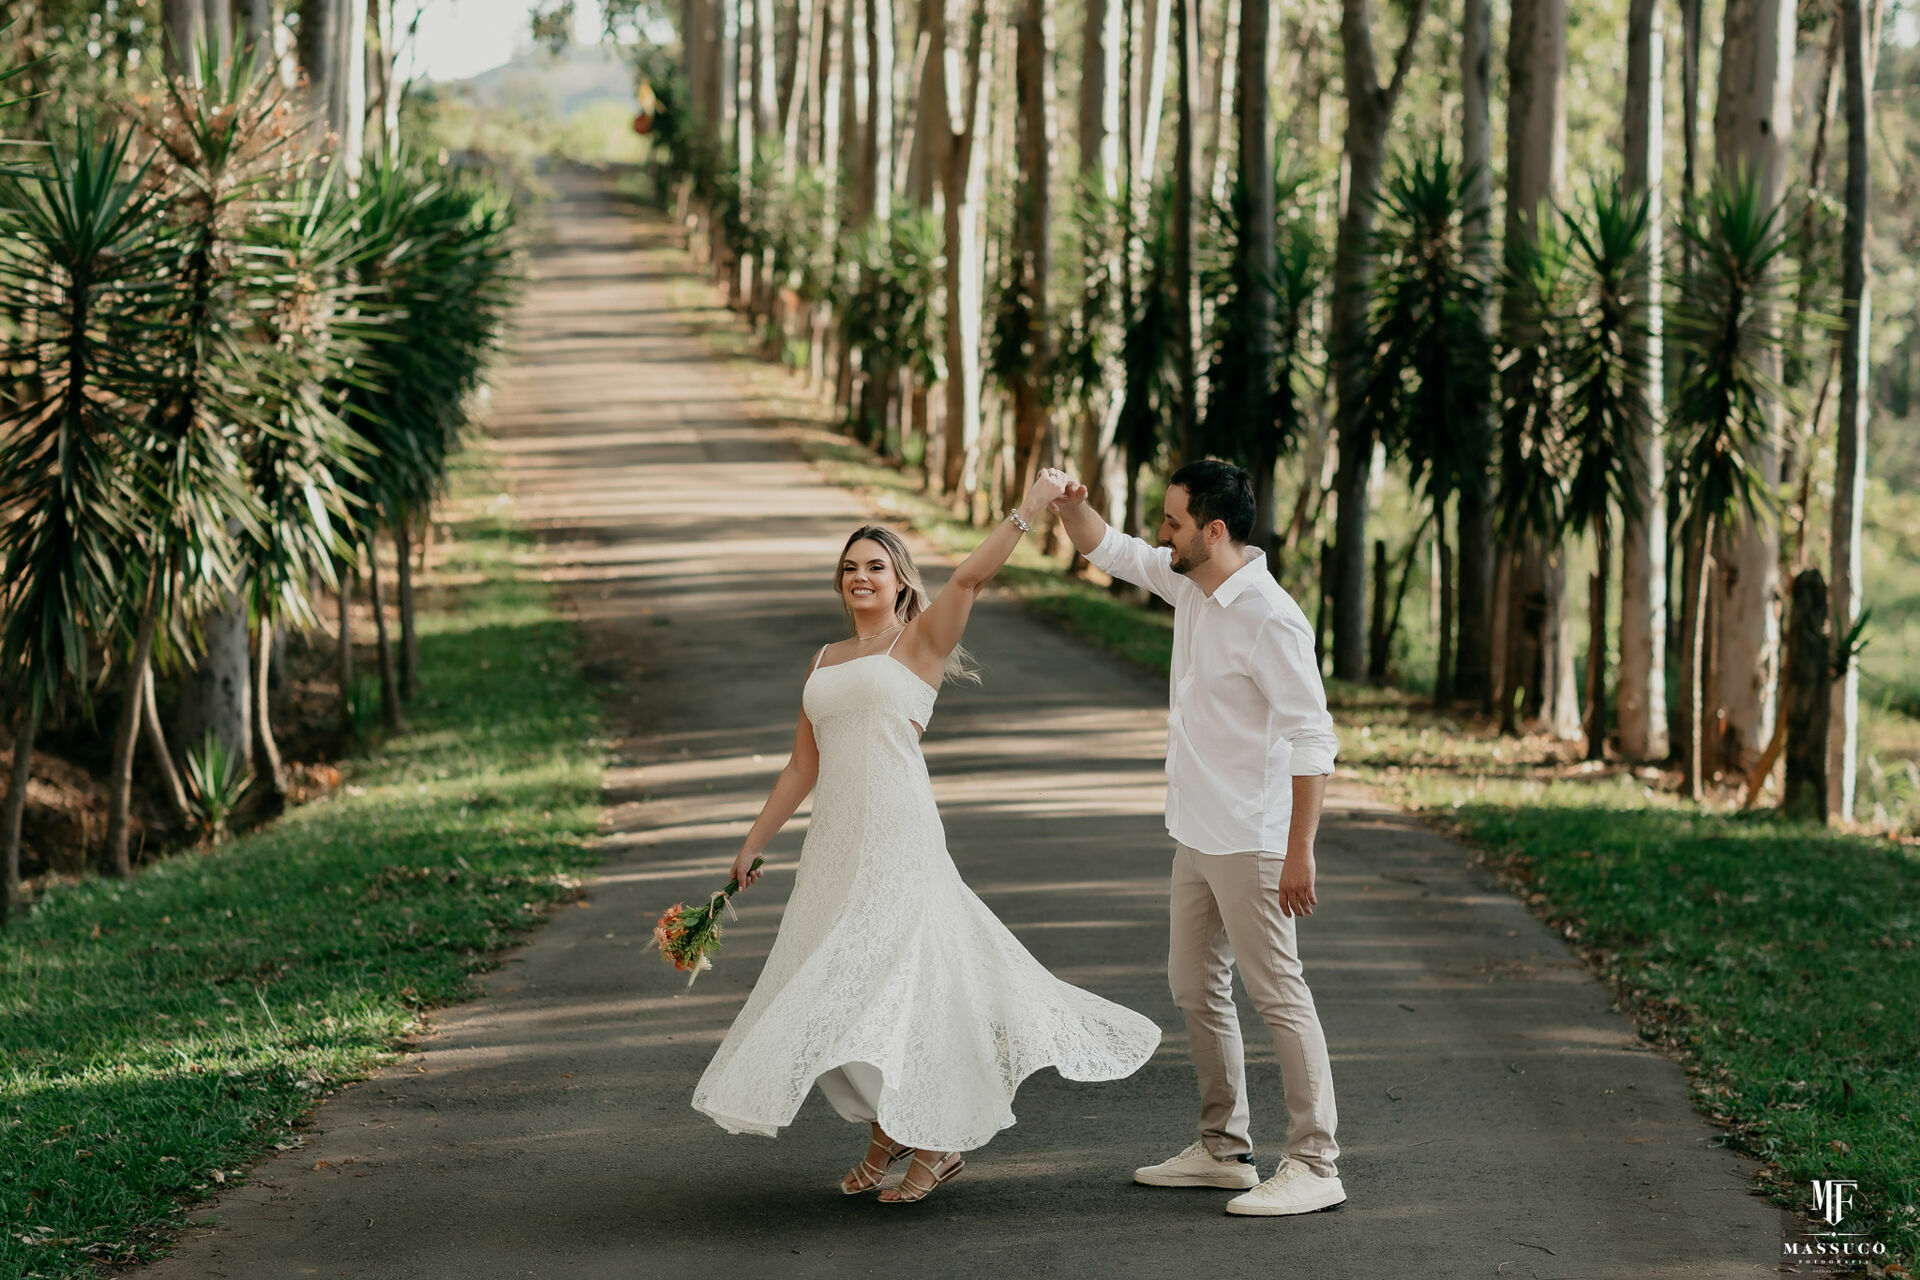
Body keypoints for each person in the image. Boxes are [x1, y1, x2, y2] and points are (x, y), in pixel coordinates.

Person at [692, 470, 1161, 1205]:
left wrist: (1027, 513)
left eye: (874, 566)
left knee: (902, 985)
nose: (859, 577)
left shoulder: (919, 642)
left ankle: (931, 1142)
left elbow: (971, 578)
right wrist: (753, 842)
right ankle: (891, 1128)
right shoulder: (823, 660)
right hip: (835, 849)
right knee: (833, 987)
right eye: (849, 567)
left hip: (901, 838)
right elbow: (800, 764)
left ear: (900, 580)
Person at [1050, 458, 1345, 1217]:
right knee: (1194, 985)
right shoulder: (1191, 581)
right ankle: (1224, 1151)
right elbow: (1107, 547)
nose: (1162, 532)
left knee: (1279, 994)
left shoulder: (1271, 617)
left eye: (1174, 521)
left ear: (1213, 531)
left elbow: (1314, 739)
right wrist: (1070, 505)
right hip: (1196, 833)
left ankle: (1316, 1162)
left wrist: (1300, 852)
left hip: (1254, 839)